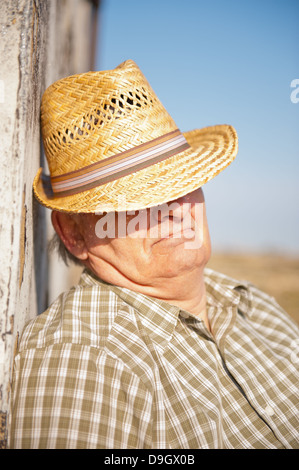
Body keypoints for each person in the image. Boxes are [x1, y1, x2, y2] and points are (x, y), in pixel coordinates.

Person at [9, 60, 298, 449]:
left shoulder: (252, 304)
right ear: (73, 234)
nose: (175, 208)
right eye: (137, 198)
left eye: (182, 181)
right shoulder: (85, 356)